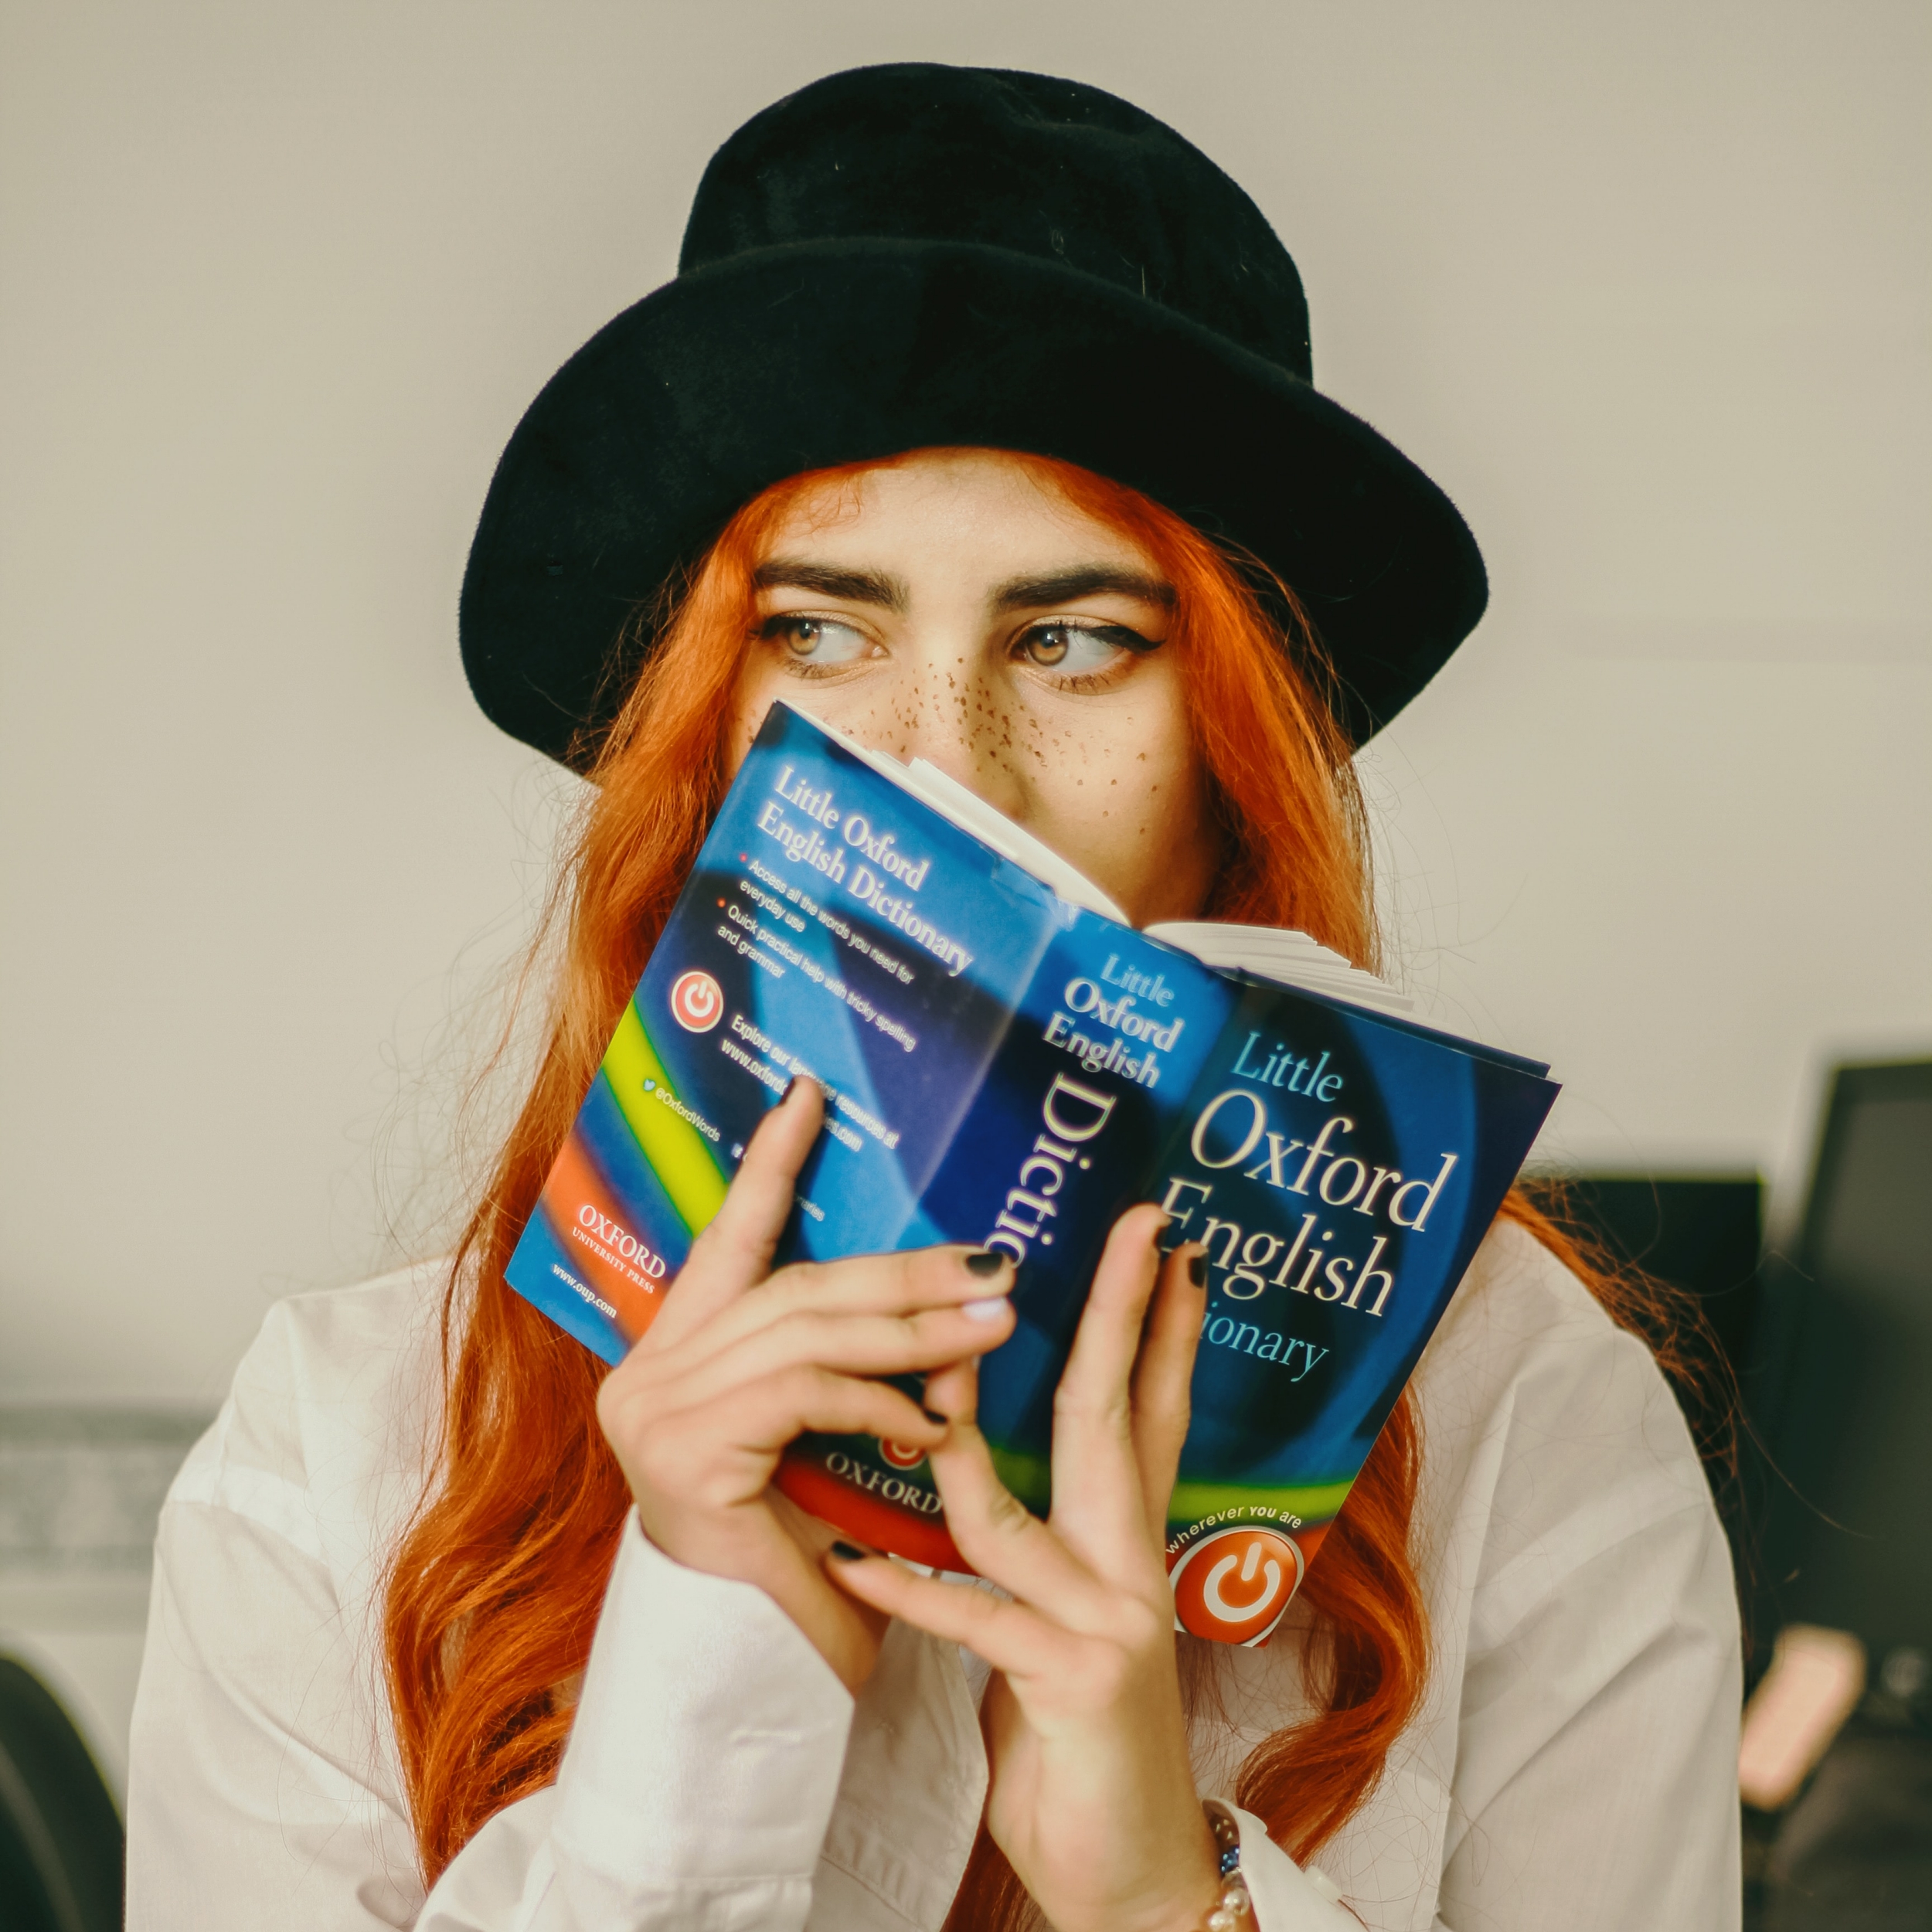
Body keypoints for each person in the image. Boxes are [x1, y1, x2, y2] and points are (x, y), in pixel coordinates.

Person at [125, 64, 1743, 1932]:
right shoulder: (344, 1448)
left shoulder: (1519, 1415)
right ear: (699, 735)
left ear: (1229, 749)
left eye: (1073, 640)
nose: (947, 763)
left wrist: (1160, 1886)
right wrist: (703, 1667)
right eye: (817, 629)